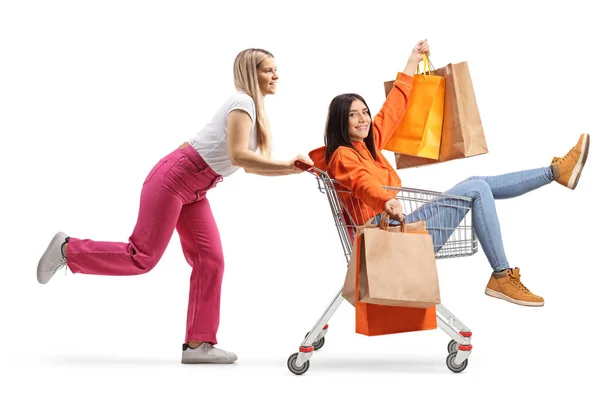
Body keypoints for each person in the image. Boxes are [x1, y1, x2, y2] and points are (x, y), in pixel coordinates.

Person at [36, 48, 313, 364]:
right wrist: (287, 165)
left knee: (211, 260)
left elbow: (250, 166)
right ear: (251, 73)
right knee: (142, 257)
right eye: (268, 70)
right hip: (176, 178)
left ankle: (198, 345)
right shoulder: (243, 103)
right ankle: (68, 249)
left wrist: (290, 169)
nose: (276, 75)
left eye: (276, 69)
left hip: (196, 187)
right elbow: (239, 156)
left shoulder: (254, 109)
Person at [308, 40, 590, 307]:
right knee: (477, 189)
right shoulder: (343, 155)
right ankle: (502, 275)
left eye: (365, 112)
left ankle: (555, 172)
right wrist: (384, 200)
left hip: (393, 227)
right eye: (353, 115)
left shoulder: (368, 145)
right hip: (384, 236)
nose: (363, 119)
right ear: (339, 121)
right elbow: (361, 182)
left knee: (475, 183)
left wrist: (412, 61)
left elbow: (393, 109)